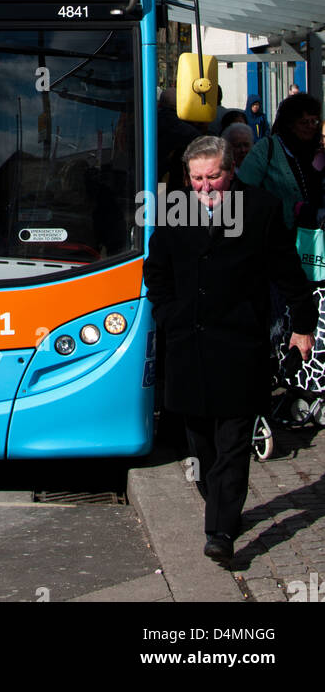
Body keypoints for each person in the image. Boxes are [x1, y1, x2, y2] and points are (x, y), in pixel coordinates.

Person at [144, 135, 316, 565]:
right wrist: (168, 315)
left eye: (213, 177)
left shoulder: (259, 208)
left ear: (230, 171)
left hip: (240, 344)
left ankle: (219, 530)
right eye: (197, 178)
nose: (204, 187)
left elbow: (287, 270)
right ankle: (220, 505)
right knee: (201, 442)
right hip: (188, 344)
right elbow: (156, 271)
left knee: (234, 440)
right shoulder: (172, 210)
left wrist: (303, 326)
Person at [237, 92, 323, 232]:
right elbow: (244, 190)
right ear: (289, 124)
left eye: (314, 121)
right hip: (277, 236)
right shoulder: (267, 148)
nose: (310, 127)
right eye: (304, 122)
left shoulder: (318, 151)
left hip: (314, 238)